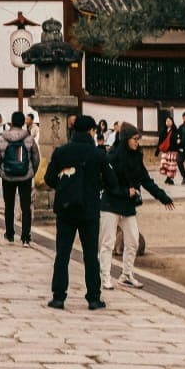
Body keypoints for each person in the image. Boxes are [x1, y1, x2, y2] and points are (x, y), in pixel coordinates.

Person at [44, 115, 116, 310]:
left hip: (66, 209)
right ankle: (93, 297)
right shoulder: (97, 154)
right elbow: (111, 181)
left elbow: (49, 178)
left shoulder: (61, 152)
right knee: (91, 255)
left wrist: (64, 186)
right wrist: (96, 184)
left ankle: (59, 296)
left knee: (63, 254)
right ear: (91, 131)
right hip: (89, 209)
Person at [100, 124, 175, 290]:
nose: (137, 142)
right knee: (108, 242)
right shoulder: (111, 157)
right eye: (135, 139)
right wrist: (125, 192)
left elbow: (146, 180)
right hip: (110, 203)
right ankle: (105, 276)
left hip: (128, 205)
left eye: (138, 139)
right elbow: (106, 182)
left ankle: (126, 274)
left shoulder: (136, 157)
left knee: (133, 240)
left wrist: (162, 197)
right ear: (126, 139)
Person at [0, 110, 40, 246]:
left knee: (9, 206)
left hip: (7, 176)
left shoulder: (2, 138)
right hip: (25, 176)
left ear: (11, 122)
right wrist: (32, 171)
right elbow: (36, 158)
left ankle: (10, 234)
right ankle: (25, 236)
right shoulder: (28, 138)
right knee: (26, 207)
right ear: (23, 122)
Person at [158, 115, 180, 185]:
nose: (168, 122)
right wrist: (157, 150)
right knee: (165, 165)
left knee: (171, 165)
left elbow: (177, 139)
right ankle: (168, 178)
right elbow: (160, 141)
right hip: (166, 151)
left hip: (173, 150)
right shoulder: (164, 130)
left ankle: (170, 178)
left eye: (169, 121)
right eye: (167, 121)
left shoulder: (175, 131)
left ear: (172, 122)